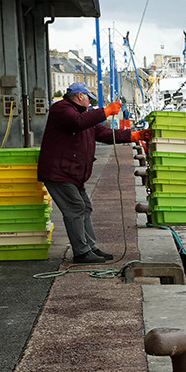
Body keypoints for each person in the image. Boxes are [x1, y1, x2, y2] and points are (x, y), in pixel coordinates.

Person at [38, 82, 122, 264]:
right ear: (80, 97)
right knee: (75, 208)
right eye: (88, 99)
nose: (89, 103)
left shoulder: (83, 117)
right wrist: (106, 111)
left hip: (72, 174)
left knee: (85, 207)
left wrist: (135, 135)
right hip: (59, 172)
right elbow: (78, 123)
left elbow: (105, 134)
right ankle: (82, 252)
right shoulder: (61, 109)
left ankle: (90, 247)